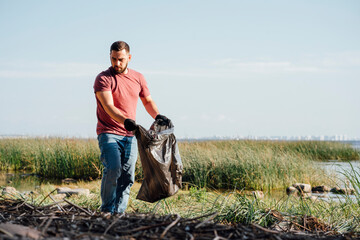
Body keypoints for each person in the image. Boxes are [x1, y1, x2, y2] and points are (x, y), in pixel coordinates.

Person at [93, 41, 170, 214]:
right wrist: (126, 120)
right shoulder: (103, 78)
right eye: (113, 59)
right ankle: (106, 210)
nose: (116, 63)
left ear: (129, 57)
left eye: (120, 59)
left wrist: (158, 116)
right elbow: (108, 106)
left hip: (130, 135)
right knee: (113, 169)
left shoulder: (138, 78)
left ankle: (118, 213)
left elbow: (147, 101)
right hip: (109, 133)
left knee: (128, 176)